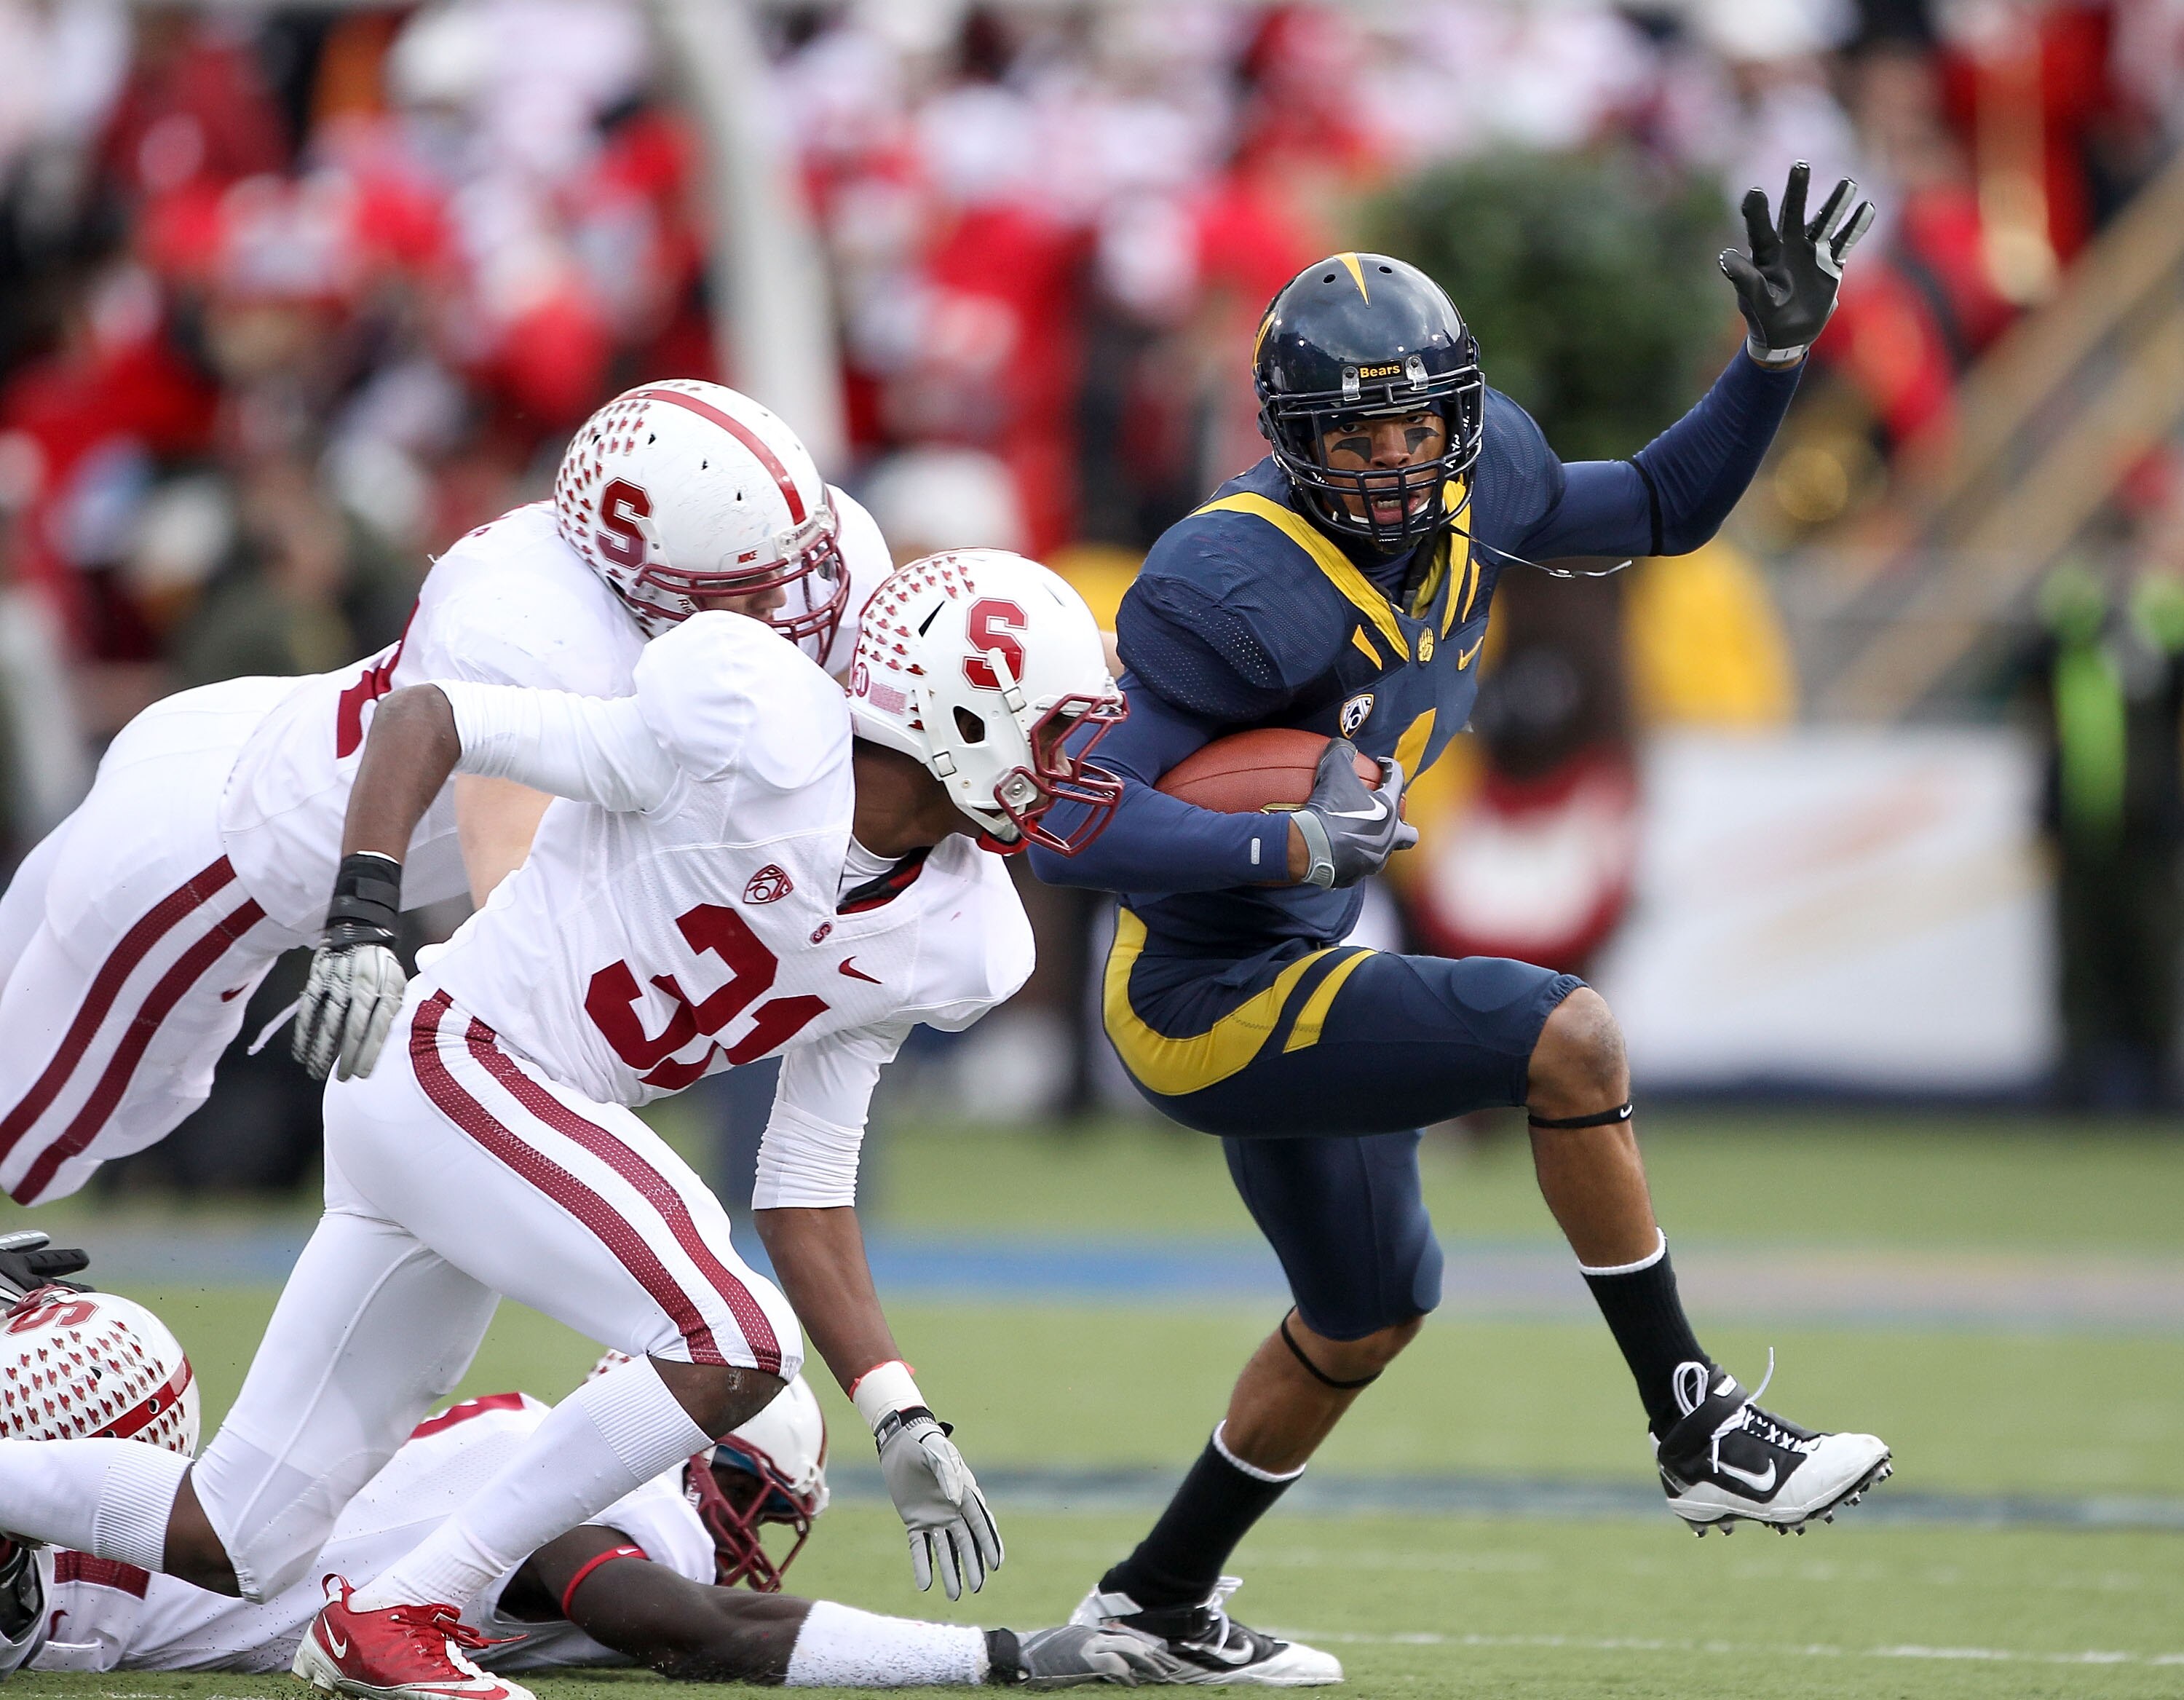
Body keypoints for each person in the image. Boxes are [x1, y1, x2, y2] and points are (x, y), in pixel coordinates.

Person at [0, 550, 1166, 1700]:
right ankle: (412, 1607)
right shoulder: (747, 719)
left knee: (237, 1534)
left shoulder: (964, 933)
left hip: (483, 1124)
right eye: (1054, 733)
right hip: (453, 1056)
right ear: (957, 709)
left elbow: (806, 1182)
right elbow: (428, 716)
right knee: (736, 1336)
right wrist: (361, 919)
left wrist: (894, 1403)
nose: (1073, 767)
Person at [1028, 167, 1894, 1680]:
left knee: (1363, 1316)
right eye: (1354, 434)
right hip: (1199, 991)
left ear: (1459, 421)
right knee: (1566, 1035)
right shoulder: (1225, 582)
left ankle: (1151, 1605)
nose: (1389, 457)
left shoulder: (1491, 484)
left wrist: (1766, 366)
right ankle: (1695, 1424)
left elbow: (1666, 507)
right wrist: (1277, 834)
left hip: (1299, 958)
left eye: (1416, 425)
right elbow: (1069, 813)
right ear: (1293, 443)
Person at [0, 378, 889, 1207]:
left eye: (791, 567)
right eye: (741, 594)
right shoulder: (531, 625)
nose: (788, 606)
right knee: (32, 1149)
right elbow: (515, 890)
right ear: (639, 579)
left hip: (251, 731)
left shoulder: (798, 546)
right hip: (208, 859)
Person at [0, 1280, 1174, 1688]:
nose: (755, 1540)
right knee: (125, 1352)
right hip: (59, 1602)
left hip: (78, 1572)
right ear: (702, 1463)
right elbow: (676, 1622)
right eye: (762, 1502)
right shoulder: (627, 1507)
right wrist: (998, 1657)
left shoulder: (535, 1431)